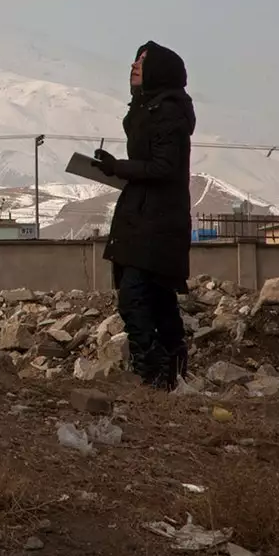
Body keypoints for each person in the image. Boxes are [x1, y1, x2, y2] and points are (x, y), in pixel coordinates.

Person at [94, 42, 195, 390]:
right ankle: (172, 370)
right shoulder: (149, 108)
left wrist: (118, 167)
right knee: (156, 294)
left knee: (135, 295)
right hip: (145, 215)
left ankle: (153, 370)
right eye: (136, 59)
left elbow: (164, 167)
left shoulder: (168, 112)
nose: (134, 65)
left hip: (157, 220)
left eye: (144, 61)